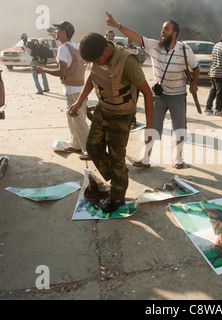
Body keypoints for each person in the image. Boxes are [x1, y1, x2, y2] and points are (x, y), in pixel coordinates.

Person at [69, 32, 153, 213]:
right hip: (102, 109)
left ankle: (117, 196)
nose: (96, 64)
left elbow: (147, 93)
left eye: (98, 60)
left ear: (107, 49)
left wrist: (150, 128)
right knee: (92, 147)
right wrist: (79, 101)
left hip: (121, 116)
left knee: (116, 158)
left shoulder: (127, 62)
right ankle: (119, 175)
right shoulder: (97, 57)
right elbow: (93, 77)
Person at [105, 12, 199, 169]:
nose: (163, 31)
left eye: (166, 29)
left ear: (174, 33)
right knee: (152, 126)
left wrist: (194, 83)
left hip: (178, 95)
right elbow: (136, 36)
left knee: (179, 128)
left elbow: (196, 68)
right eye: (162, 29)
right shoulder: (154, 45)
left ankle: (178, 158)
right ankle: (146, 159)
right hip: (159, 95)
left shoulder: (184, 49)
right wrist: (118, 26)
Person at [32, 21, 90, 160]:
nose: (55, 32)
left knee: (78, 120)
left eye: (57, 29)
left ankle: (91, 150)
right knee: (72, 118)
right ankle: (76, 145)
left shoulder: (63, 49)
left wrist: (43, 69)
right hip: (80, 89)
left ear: (63, 32)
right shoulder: (75, 47)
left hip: (71, 91)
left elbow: (62, 72)